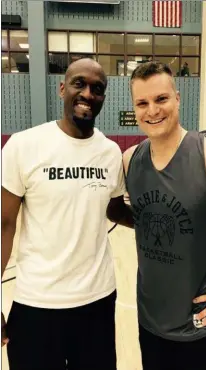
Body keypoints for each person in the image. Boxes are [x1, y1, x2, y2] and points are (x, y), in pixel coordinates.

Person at [1, 58, 133, 370]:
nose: (88, 93)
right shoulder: (24, 146)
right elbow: (4, 225)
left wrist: (160, 221)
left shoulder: (110, 152)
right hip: (36, 305)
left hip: (97, 304)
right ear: (63, 89)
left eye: (97, 88)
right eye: (79, 84)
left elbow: (115, 210)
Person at [122, 62, 206, 370]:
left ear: (178, 98)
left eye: (161, 99)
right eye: (142, 103)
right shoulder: (131, 161)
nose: (152, 111)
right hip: (151, 326)